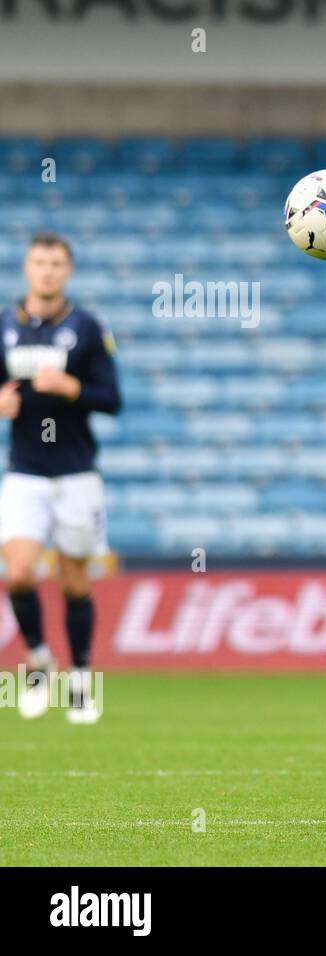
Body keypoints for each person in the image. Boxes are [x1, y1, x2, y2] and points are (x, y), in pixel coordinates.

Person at [1, 233, 121, 724]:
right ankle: (38, 662)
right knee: (20, 571)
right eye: (39, 262)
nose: (47, 271)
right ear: (27, 268)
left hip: (75, 472)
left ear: (66, 270)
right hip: (25, 470)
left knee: (74, 583)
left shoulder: (88, 327)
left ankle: (80, 678)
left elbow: (112, 399)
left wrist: (71, 386)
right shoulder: (5, 326)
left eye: (56, 263)